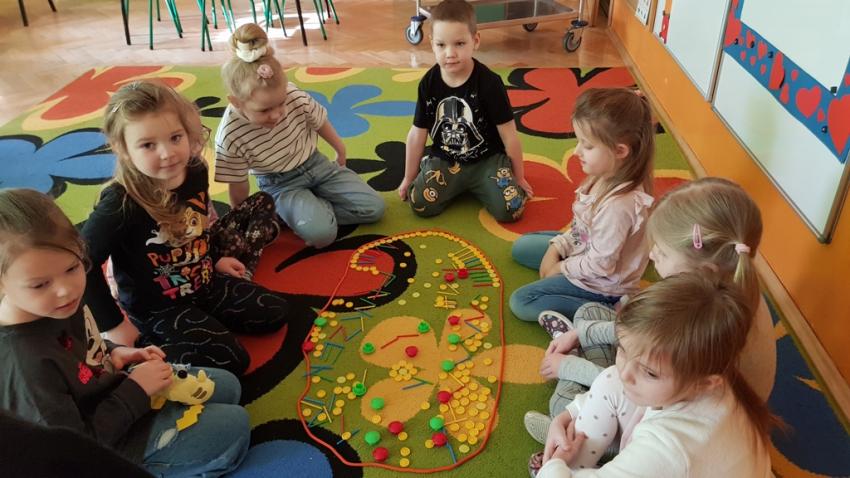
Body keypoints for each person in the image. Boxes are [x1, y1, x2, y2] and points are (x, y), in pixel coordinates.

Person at [0, 189, 249, 477]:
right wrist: (136, 391)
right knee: (235, 427)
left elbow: (82, 347)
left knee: (229, 386)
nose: (66, 290)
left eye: (72, 268)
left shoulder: (54, 304)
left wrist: (115, 352)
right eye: (39, 284)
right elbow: (75, 451)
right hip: (110, 441)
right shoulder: (25, 367)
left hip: (115, 391)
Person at [525, 177, 777, 440]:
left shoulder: (700, 324)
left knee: (565, 407)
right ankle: (581, 349)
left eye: (663, 252)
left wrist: (569, 367)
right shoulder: (721, 289)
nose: (652, 254)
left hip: (666, 418)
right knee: (588, 314)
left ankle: (570, 437)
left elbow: (636, 388)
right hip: (661, 377)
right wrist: (580, 333)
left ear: (704, 271)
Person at [82, 80, 291, 376]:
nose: (167, 153)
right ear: (123, 149)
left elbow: (199, 225)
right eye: (148, 145)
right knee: (233, 361)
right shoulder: (120, 202)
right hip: (158, 307)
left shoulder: (194, 170)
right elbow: (83, 261)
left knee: (276, 312)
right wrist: (114, 325)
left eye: (175, 137)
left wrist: (215, 258)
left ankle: (201, 321)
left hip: (204, 283)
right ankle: (140, 354)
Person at [533, 273, 777, 477]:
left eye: (649, 372)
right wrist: (568, 414)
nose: (626, 373)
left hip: (667, 460)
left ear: (704, 384)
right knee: (611, 379)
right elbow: (619, 378)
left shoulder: (671, 449)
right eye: (622, 349)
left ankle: (571, 466)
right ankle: (576, 462)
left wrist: (554, 466)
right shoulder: (708, 371)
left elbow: (667, 453)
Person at [215, 23, 385, 249]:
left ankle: (306, 212)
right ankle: (302, 214)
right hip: (280, 184)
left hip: (316, 164)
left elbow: (318, 121)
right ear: (236, 102)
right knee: (322, 236)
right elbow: (238, 184)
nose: (277, 114)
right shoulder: (230, 135)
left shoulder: (292, 94)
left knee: (374, 208)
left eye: (281, 103)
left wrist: (340, 148)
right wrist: (241, 218)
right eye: (264, 110)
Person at [509, 87, 655, 322]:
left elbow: (601, 265)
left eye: (587, 146)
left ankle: (608, 311)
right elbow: (580, 229)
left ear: (620, 151)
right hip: (587, 248)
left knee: (522, 302)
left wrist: (560, 268)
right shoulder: (603, 175)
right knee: (522, 247)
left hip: (603, 284)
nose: (577, 151)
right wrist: (557, 248)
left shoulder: (619, 207)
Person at [398, 0, 533, 221]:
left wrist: (519, 177)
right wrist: (408, 177)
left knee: (512, 209)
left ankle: (495, 177)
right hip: (445, 160)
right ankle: (431, 167)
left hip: (487, 162)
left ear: (475, 41)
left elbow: (509, 135)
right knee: (419, 203)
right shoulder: (428, 84)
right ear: (432, 43)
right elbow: (417, 134)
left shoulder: (490, 83)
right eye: (441, 45)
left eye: (459, 43)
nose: (450, 53)